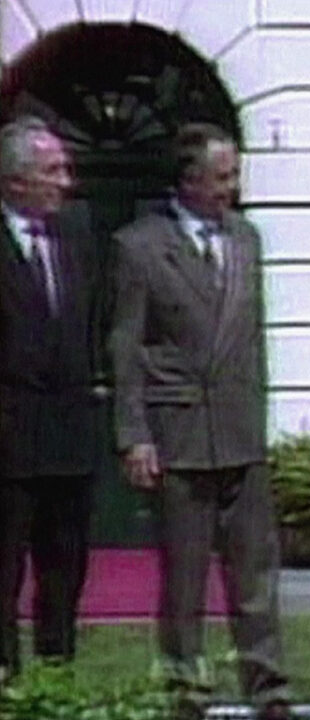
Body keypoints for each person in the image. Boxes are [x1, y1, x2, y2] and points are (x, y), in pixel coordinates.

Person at [110, 123, 291, 720]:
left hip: (239, 431)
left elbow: (253, 341)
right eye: (221, 177)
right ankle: (186, 684)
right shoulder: (140, 246)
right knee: (184, 576)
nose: (232, 188)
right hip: (179, 430)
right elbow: (125, 346)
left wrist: (261, 423)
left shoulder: (246, 239)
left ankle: (268, 686)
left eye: (235, 175)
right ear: (188, 180)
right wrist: (134, 434)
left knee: (255, 572)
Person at [0, 116, 100, 683]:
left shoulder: (75, 237)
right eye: (53, 170)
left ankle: (56, 676)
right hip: (8, 438)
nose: (66, 181)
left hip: (68, 437)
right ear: (16, 181)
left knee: (65, 566)